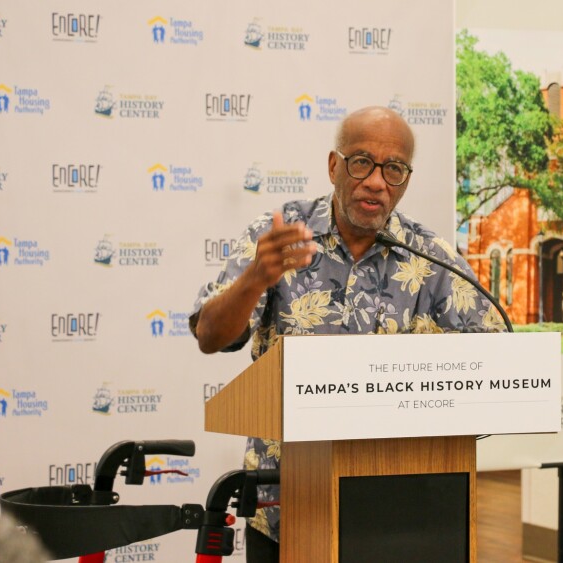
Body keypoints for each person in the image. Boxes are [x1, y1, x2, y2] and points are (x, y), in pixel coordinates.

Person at [190, 106, 504, 562]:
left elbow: (496, 357)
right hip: (284, 508)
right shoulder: (278, 236)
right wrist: (253, 279)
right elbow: (210, 335)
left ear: (406, 180)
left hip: (397, 515)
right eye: (362, 162)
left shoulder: (430, 257)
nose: (377, 181)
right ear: (335, 166)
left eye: (394, 169)